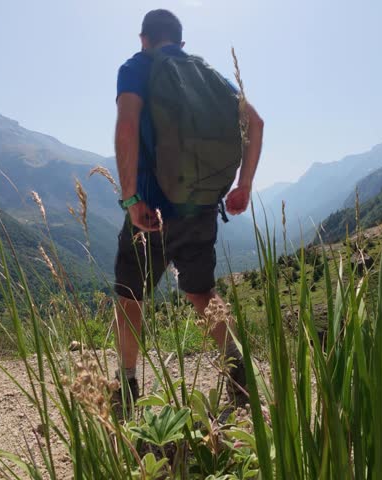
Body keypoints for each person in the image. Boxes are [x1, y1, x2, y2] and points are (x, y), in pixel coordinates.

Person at [111, 9, 264, 418]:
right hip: (200, 206)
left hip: (151, 210)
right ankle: (239, 373)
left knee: (130, 295)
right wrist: (243, 185)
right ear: (181, 40)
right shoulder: (208, 73)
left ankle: (126, 384)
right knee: (201, 291)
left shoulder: (136, 67)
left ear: (144, 38)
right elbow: (256, 122)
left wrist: (130, 199)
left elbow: (127, 126)